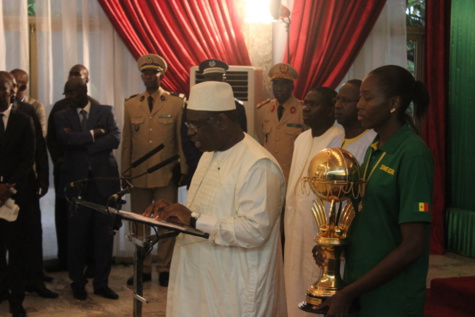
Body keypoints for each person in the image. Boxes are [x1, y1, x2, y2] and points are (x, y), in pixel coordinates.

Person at [143, 81, 287, 317]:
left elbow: (255, 231)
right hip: (201, 279)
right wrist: (174, 214)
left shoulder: (258, 165)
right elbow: (204, 210)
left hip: (235, 290)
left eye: (195, 125)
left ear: (221, 121)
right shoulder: (208, 155)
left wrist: (193, 220)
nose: (189, 132)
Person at [313, 65, 434, 316]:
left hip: (392, 297)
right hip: (361, 286)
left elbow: (413, 245)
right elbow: (369, 217)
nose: (359, 105)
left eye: (367, 98)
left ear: (393, 103)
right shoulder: (375, 148)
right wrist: (334, 247)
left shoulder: (412, 154)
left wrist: (348, 292)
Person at [121, 54, 187, 287]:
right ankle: (143, 266)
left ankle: (166, 267)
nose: (149, 77)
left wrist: (184, 169)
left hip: (166, 173)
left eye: (154, 73)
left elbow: (180, 140)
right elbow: (127, 142)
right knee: (139, 223)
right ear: (142, 76)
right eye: (145, 73)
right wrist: (125, 173)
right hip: (138, 175)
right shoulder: (130, 104)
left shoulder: (176, 103)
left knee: (167, 221)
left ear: (162, 75)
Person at [54, 78, 121, 300]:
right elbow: (65, 139)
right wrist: (93, 134)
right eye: (66, 93)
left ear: (83, 91)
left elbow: (115, 138)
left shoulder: (105, 111)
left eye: (71, 93)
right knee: (76, 238)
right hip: (77, 184)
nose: (67, 97)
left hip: (103, 184)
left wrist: (84, 144)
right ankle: (78, 283)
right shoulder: (62, 115)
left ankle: (102, 283)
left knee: (104, 236)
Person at [283, 87, 343, 317]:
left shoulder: (337, 138)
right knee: (293, 282)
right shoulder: (301, 139)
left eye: (313, 104)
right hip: (294, 225)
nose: (305, 109)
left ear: (330, 110)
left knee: (313, 285)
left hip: (317, 230)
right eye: (305, 103)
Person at [7, 71, 57, 299]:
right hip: (4, 185)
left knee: (31, 233)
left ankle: (35, 280)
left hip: (26, 184)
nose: (16, 90)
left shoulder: (29, 111)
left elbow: (39, 147)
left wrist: (44, 178)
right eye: (13, 85)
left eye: (20, 86)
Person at [46, 64, 99, 273]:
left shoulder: (96, 107)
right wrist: (58, 158)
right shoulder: (59, 107)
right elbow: (50, 138)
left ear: (86, 82)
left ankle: (90, 261)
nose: (75, 77)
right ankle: (64, 260)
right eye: (72, 74)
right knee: (64, 216)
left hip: (88, 174)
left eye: (79, 75)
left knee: (88, 217)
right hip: (64, 171)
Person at [0, 72, 36, 317]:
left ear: (12, 91)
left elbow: (28, 158)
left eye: (2, 88)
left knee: (17, 251)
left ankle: (16, 300)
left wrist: (8, 187)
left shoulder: (24, 120)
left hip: (15, 197)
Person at [181, 58, 248, 188]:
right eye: (210, 78)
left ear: (224, 79)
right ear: (204, 80)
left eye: (218, 77)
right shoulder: (192, 106)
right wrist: (200, 163)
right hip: (198, 167)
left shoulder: (236, 106)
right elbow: (186, 139)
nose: (213, 81)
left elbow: (239, 137)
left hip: (228, 169)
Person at [255, 62, 305, 182]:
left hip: (292, 175)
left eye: (284, 84)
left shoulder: (303, 111)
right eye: (276, 84)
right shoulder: (263, 110)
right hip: (268, 174)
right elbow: (261, 140)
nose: (279, 88)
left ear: (292, 86)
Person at [327, 79, 377, 164]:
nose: (337, 105)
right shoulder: (334, 141)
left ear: (360, 103)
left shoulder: (373, 142)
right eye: (337, 100)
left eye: (345, 100)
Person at [10, 69, 46, 137]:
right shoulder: (4, 105)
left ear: (23, 87)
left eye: (13, 85)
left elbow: (41, 134)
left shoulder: (36, 106)